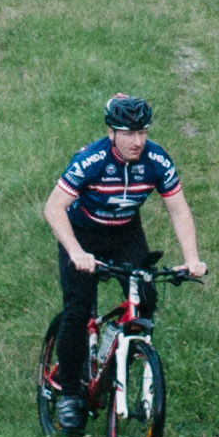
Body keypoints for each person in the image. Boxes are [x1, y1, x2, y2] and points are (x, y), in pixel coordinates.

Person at [41, 92, 202, 418]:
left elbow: (179, 211)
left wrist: (192, 259)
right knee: (77, 310)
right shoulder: (92, 160)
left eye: (142, 132)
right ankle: (71, 395)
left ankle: (120, 353)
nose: (137, 141)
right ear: (111, 132)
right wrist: (75, 252)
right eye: (128, 133)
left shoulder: (157, 161)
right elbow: (53, 208)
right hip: (82, 235)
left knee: (145, 297)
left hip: (125, 233)